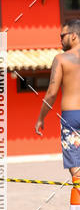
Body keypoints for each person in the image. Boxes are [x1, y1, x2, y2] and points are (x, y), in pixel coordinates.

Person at [36, 19, 80, 180]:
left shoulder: (61, 59)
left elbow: (51, 93)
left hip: (72, 118)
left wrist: (41, 118)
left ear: (74, 35)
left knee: (76, 170)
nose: (60, 39)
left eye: (63, 35)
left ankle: (77, 205)